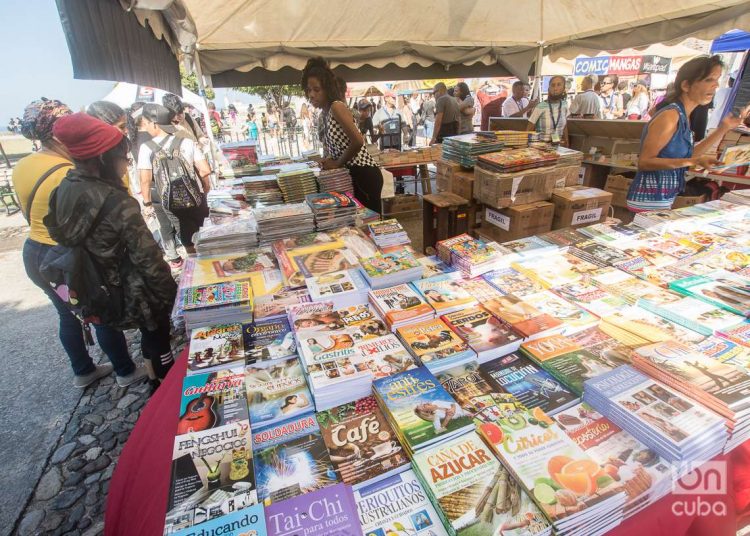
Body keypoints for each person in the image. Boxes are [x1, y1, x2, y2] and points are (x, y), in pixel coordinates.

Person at [13, 99, 145, 389]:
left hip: (36, 254)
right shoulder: (69, 173)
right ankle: (125, 371)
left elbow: (31, 214)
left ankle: (83, 370)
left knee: (67, 315)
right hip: (70, 259)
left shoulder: (23, 166)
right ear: (59, 134)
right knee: (100, 314)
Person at [45, 112, 177, 387]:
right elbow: (148, 259)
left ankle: (153, 377)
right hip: (132, 288)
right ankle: (164, 385)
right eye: (122, 158)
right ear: (102, 158)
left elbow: (59, 233)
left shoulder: (63, 189)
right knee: (157, 332)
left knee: (146, 335)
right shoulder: (116, 202)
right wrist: (173, 296)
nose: (124, 165)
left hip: (97, 285)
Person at [626, 55, 750, 213]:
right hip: (648, 200)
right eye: (708, 80)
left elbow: (691, 155)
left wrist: (722, 129)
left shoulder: (683, 116)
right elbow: (645, 162)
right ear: (686, 85)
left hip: (663, 198)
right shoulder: (671, 115)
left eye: (717, 80)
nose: (716, 85)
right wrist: (693, 161)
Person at [302, 57, 384, 214]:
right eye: (309, 90)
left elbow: (358, 141)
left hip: (364, 174)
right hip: (353, 174)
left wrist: (337, 163)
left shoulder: (336, 107)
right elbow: (341, 144)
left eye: (316, 90)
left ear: (328, 89)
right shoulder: (325, 113)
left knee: (368, 225)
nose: (311, 94)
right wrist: (330, 160)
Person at [137, 103, 211, 254]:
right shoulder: (188, 142)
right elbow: (205, 170)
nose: (146, 128)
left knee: (186, 236)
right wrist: (205, 190)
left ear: (154, 123)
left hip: (171, 203)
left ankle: (195, 264)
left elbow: (145, 180)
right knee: (206, 233)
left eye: (146, 123)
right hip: (196, 196)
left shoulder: (146, 148)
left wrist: (147, 203)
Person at [527, 75, 569, 146]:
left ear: (564, 88)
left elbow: (564, 126)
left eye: (559, 85)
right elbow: (529, 129)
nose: (555, 88)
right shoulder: (540, 106)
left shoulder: (565, 105)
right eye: (552, 85)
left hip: (558, 146)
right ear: (549, 88)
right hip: (541, 149)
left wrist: (567, 141)